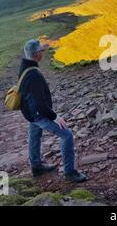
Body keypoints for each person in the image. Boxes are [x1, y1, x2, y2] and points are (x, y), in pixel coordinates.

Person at [19, 39, 87, 183]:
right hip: (37, 114)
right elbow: (40, 103)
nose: (43, 53)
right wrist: (54, 116)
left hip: (30, 113)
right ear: (36, 54)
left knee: (34, 137)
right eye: (41, 51)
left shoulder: (24, 66)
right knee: (67, 135)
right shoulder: (34, 74)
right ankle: (69, 172)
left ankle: (36, 166)